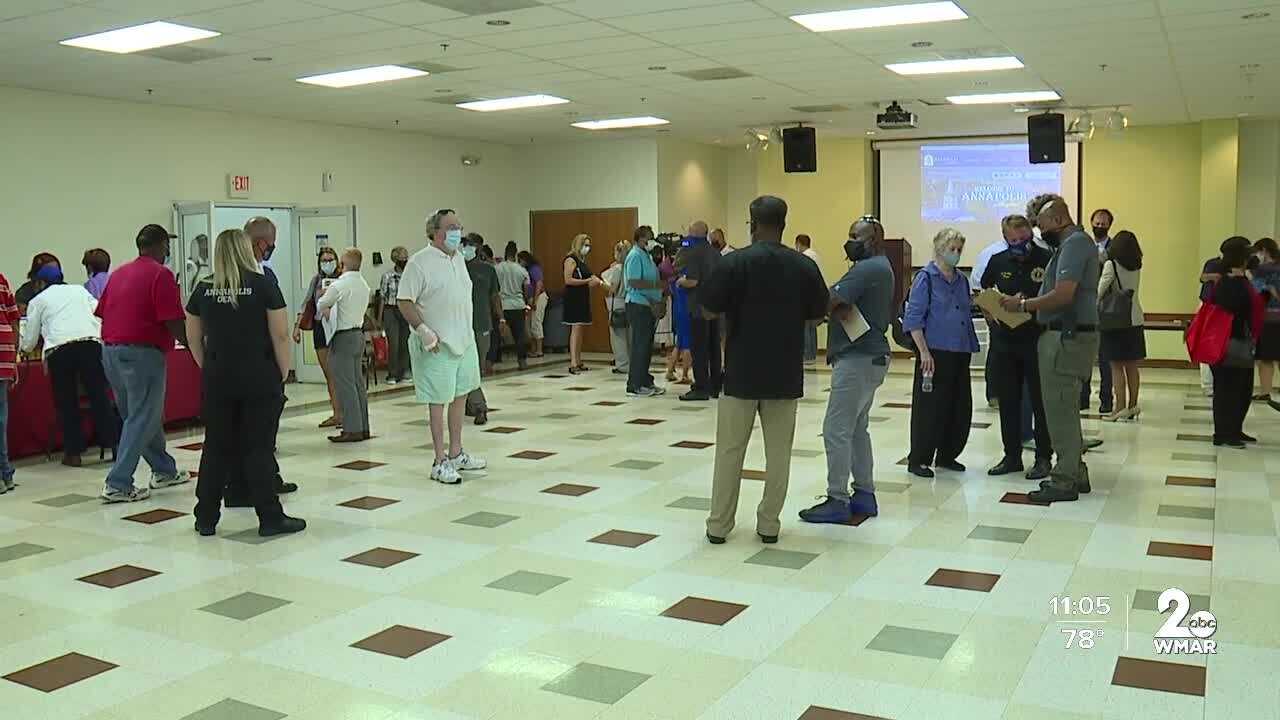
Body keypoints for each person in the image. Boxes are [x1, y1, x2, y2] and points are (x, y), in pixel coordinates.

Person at [703, 196, 827, 544]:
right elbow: (818, 315)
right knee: (778, 455)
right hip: (784, 373)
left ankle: (719, 525)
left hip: (741, 372)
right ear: (784, 224)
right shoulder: (803, 266)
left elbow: (709, 310)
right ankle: (769, 524)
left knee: (729, 452)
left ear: (752, 224)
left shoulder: (734, 263)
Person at [185, 229, 304, 537]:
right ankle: (270, 517)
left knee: (216, 448)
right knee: (259, 448)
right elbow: (279, 334)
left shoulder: (202, 288)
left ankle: (206, 517)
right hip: (258, 375)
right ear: (245, 250)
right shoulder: (263, 284)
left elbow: (193, 337)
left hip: (218, 377)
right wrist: (283, 371)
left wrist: (207, 365)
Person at [1000, 196, 1102, 503]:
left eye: (1040, 225)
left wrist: (1023, 304)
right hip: (1064, 335)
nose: (1038, 231)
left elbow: (1063, 295)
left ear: (1057, 220)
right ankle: (1076, 470)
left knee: (1059, 409)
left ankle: (1064, 479)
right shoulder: (1073, 245)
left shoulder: (1073, 244)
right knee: (1064, 407)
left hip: (1065, 338)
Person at [798, 216, 894, 524]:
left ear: (874, 240)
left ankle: (837, 498)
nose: (850, 241)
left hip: (857, 357)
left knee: (836, 429)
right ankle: (864, 494)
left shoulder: (867, 268)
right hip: (870, 356)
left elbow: (831, 299)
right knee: (855, 429)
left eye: (856, 236)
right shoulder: (880, 267)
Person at [95, 224, 190, 503]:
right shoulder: (161, 274)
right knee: (143, 417)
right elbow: (173, 320)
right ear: (161, 245)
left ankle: (164, 470)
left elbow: (102, 311)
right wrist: (195, 347)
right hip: (142, 354)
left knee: (137, 417)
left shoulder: (119, 273)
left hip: (111, 352)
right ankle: (118, 482)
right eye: (167, 245)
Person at [397, 209, 487, 485]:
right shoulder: (419, 262)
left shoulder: (458, 259)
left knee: (461, 395)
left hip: (463, 340)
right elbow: (404, 301)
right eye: (451, 227)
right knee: (438, 403)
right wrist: (423, 331)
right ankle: (439, 460)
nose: (457, 231)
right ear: (435, 232)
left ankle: (456, 451)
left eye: (459, 226)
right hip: (436, 344)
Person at [19, 265, 118, 468]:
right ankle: (114, 444)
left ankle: (74, 453)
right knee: (99, 396)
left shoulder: (38, 300)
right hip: (90, 343)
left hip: (60, 349)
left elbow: (29, 340)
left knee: (67, 401)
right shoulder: (80, 290)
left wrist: (24, 348)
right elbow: (100, 312)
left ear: (39, 283)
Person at [980, 215, 1053, 480]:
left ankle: (1044, 457)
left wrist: (1027, 302)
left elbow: (1056, 298)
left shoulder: (1047, 259)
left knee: (1040, 402)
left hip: (1037, 341)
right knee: (1008, 401)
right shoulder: (998, 261)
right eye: (1014, 241)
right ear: (1005, 239)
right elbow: (984, 291)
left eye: (1024, 239)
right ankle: (1011, 456)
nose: (1020, 245)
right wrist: (990, 310)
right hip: (1005, 342)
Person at [903, 228, 979, 479]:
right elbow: (914, 318)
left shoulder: (961, 280)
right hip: (934, 351)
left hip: (960, 349)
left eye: (959, 250)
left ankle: (947, 455)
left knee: (958, 406)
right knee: (929, 408)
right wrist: (923, 351)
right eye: (952, 249)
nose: (956, 254)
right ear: (939, 249)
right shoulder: (926, 278)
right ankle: (920, 458)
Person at [1208, 240, 1268, 447]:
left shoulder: (1241, 280)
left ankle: (1235, 429)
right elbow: (1232, 310)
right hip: (1229, 343)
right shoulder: (1229, 281)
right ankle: (1224, 433)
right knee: (1228, 390)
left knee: (1242, 390)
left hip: (1242, 342)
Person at [317, 247, 372, 443]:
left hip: (343, 336)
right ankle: (363, 426)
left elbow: (321, 304)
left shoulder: (340, 285)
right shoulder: (363, 284)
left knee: (345, 384)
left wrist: (324, 295)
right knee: (357, 383)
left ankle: (352, 429)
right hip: (358, 335)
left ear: (343, 264)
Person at [1098, 230, 1146, 421]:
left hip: (1116, 321)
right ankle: (1133, 405)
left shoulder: (1111, 265)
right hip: (1135, 318)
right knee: (1132, 366)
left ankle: (1119, 408)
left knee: (1116, 366)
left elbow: (1099, 291)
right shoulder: (1137, 266)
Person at [294, 247, 343, 428]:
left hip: (338, 327)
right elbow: (306, 303)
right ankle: (337, 413)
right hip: (320, 327)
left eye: (331, 259)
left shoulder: (343, 279)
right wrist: (297, 326)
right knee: (329, 373)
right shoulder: (316, 280)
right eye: (324, 260)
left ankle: (347, 413)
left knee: (341, 373)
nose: (328, 263)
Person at [1198, 236, 1254, 397]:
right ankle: (1208, 385)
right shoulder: (1217, 267)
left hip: (1233, 332)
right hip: (1212, 310)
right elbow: (1202, 277)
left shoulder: (1241, 279)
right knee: (1210, 348)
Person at [678, 222, 723, 401]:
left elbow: (693, 281)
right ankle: (714, 385)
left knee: (700, 348)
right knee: (714, 348)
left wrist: (681, 282)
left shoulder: (694, 254)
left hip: (698, 308)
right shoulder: (716, 253)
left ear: (694, 233)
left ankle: (701, 387)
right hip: (715, 308)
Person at [1080, 209, 1116, 413]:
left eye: (1104, 224)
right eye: (1097, 223)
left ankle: (1106, 399)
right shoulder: (1083, 245)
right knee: (1084, 354)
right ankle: (1082, 397)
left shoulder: (1114, 249)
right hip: (1083, 306)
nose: (1100, 227)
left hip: (1106, 308)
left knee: (1105, 357)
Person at [623, 225, 665, 397]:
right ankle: (634, 384)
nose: (651, 241)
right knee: (640, 346)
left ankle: (645, 380)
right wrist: (656, 286)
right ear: (640, 238)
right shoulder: (634, 256)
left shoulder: (646, 256)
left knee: (647, 346)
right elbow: (633, 281)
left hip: (648, 306)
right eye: (649, 237)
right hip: (638, 305)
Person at [464, 233, 500, 425]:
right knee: (464, 369)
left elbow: (495, 296)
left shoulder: (487, 271)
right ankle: (476, 405)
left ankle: (476, 404)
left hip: (481, 324)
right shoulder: (456, 267)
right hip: (459, 326)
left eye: (470, 245)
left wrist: (501, 320)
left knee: (474, 368)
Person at [563, 233, 600, 374]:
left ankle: (578, 360)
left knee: (581, 329)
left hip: (583, 296)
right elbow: (568, 280)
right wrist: (587, 282)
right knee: (575, 328)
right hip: (574, 298)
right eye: (585, 245)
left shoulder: (582, 261)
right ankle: (573, 362)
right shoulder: (570, 260)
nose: (587, 248)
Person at [1250, 238, 1280, 401]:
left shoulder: (1260, 271)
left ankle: (1265, 392)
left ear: (1264, 250)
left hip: (1268, 318)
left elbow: (1254, 294)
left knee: (1265, 357)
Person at [0, 272, 21, 495]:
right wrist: (13, 357)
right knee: (1, 417)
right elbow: (14, 318)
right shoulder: (2, 279)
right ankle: (5, 473)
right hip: (4, 348)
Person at [495, 241, 532, 371]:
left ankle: (490, 361)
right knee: (519, 335)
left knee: (496, 335)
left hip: (503, 305)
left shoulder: (498, 268)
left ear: (505, 253)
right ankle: (522, 361)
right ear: (515, 254)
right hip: (518, 305)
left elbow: (494, 288)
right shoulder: (521, 270)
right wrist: (528, 304)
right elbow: (527, 289)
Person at [378, 246, 411, 385]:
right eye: (401, 258)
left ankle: (405, 371)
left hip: (406, 309)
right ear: (395, 260)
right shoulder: (387, 276)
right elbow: (382, 297)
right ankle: (392, 373)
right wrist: (379, 319)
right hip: (391, 310)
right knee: (394, 343)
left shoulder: (410, 274)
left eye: (405, 258)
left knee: (405, 342)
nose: (404, 260)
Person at [601, 241, 630, 376]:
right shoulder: (629, 267)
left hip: (616, 303)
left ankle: (622, 364)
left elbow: (613, 289)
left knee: (618, 336)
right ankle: (629, 363)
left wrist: (600, 283)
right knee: (628, 335)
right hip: (628, 302)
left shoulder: (618, 270)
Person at [795, 233, 821, 364]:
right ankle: (812, 353)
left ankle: (807, 354)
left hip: (805, 294)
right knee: (812, 326)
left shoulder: (804, 257)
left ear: (799, 244)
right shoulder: (815, 255)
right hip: (816, 293)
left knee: (805, 325)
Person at [519, 251, 547, 358]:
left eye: (521, 260)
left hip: (539, 297)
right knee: (529, 325)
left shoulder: (534, 269)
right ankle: (533, 348)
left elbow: (539, 284)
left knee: (536, 323)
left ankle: (539, 350)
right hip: (531, 299)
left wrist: (535, 300)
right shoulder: (525, 271)